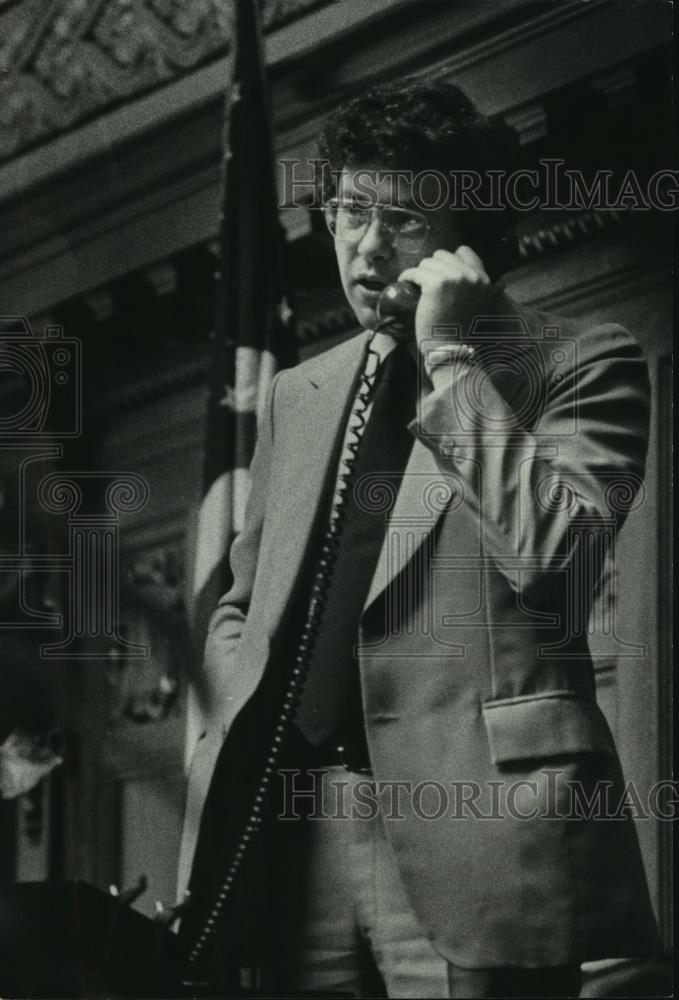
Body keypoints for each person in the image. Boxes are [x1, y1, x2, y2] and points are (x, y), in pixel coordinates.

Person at [176, 79, 660, 998]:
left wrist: (449, 360)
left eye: (401, 220)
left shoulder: (582, 360)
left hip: (477, 830)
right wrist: (234, 720)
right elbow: (241, 600)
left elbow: (558, 558)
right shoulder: (301, 392)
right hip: (290, 830)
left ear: (468, 240)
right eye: (349, 210)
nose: (363, 247)